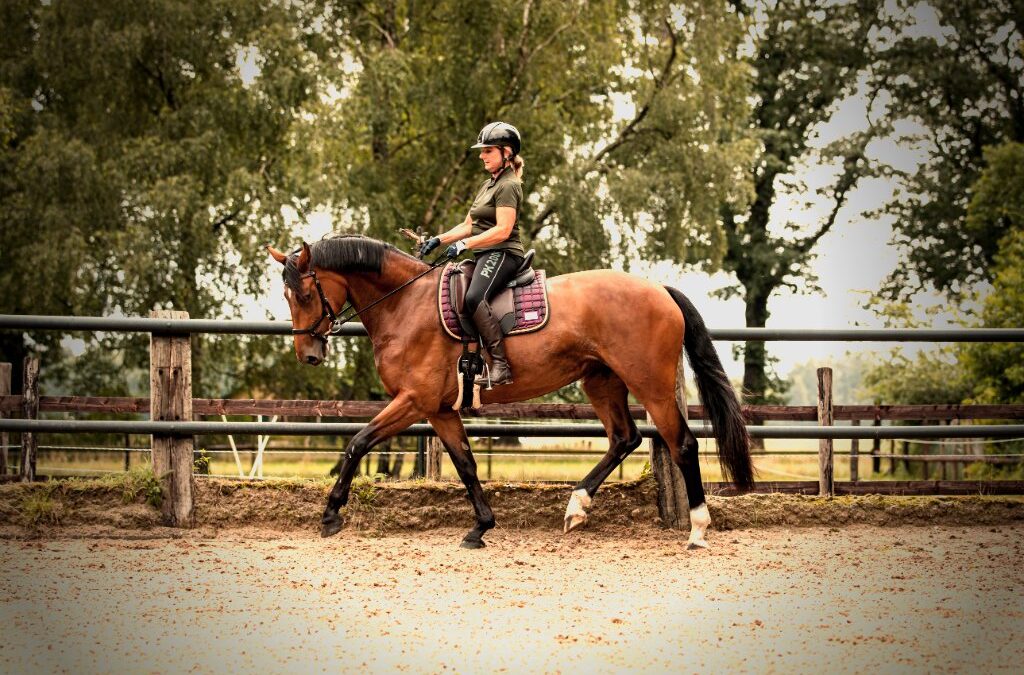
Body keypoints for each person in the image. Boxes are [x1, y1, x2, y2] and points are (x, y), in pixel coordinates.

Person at [419, 121, 526, 387]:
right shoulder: (487, 185)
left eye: (488, 150)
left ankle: (500, 365)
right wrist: (439, 240)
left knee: (474, 297)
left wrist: (465, 245)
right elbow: (468, 225)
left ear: (506, 152)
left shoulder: (508, 185)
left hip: (504, 252)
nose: (481, 156)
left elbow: (503, 230)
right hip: (485, 253)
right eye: (482, 151)